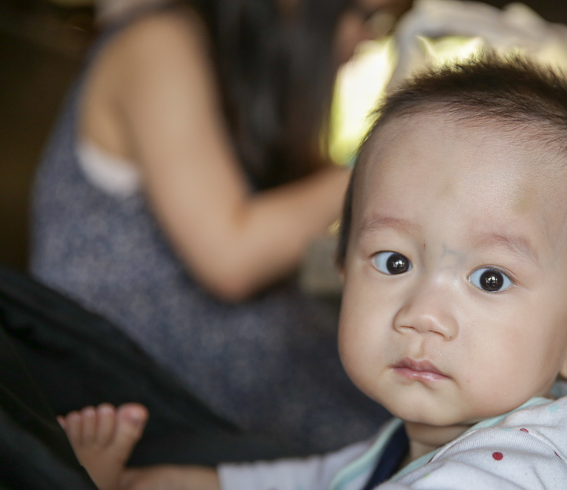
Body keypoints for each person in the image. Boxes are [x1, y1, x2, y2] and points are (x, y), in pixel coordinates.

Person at [16, 56, 567, 490]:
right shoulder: (430, 434)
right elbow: (327, 484)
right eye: (394, 262)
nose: (422, 313)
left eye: (491, 279)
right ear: (341, 270)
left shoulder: (539, 472)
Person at [29, 0, 409, 454]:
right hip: (138, 374)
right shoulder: (158, 42)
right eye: (364, 17)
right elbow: (231, 259)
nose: (367, 39)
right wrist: (387, 153)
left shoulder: (240, 73)